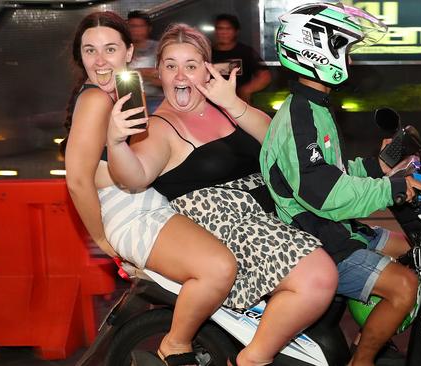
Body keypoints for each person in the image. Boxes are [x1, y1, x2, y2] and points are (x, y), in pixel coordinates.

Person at [106, 23, 338, 366]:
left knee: (359, 251)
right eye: (171, 66)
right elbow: (135, 174)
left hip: (272, 212)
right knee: (319, 278)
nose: (180, 75)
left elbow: (276, 140)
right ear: (159, 73)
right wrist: (115, 142)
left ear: (208, 69)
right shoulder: (160, 127)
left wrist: (232, 102)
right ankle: (251, 360)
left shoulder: (223, 105)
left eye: (191, 65)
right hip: (227, 223)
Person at [259, 3, 421, 366]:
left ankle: (366, 333)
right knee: (405, 287)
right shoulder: (302, 117)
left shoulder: (314, 106)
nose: (349, 62)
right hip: (312, 235)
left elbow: (331, 171)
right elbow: (326, 195)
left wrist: (379, 166)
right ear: (317, 50)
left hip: (326, 224)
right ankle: (362, 359)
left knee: (407, 248)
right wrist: (394, 188)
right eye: (345, 51)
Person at [62, 12, 238, 365]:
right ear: (79, 56)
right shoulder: (96, 99)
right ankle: (176, 344)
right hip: (128, 209)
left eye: (109, 49)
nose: (99, 61)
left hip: (143, 199)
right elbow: (77, 179)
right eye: (89, 51)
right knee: (218, 267)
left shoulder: (122, 93)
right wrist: (103, 242)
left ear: (129, 52)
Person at [211, 13, 271, 104]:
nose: (223, 32)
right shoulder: (208, 53)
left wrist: (245, 90)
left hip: (239, 105)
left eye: (228, 29)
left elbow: (265, 76)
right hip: (213, 104)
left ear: (236, 31)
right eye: (220, 28)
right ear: (215, 31)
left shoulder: (246, 52)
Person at [127, 10, 165, 113]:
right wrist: (148, 73)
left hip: (155, 99)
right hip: (129, 99)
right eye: (132, 26)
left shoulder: (159, 48)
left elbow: (165, 77)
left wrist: (138, 73)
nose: (136, 30)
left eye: (140, 26)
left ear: (149, 28)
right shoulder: (122, 49)